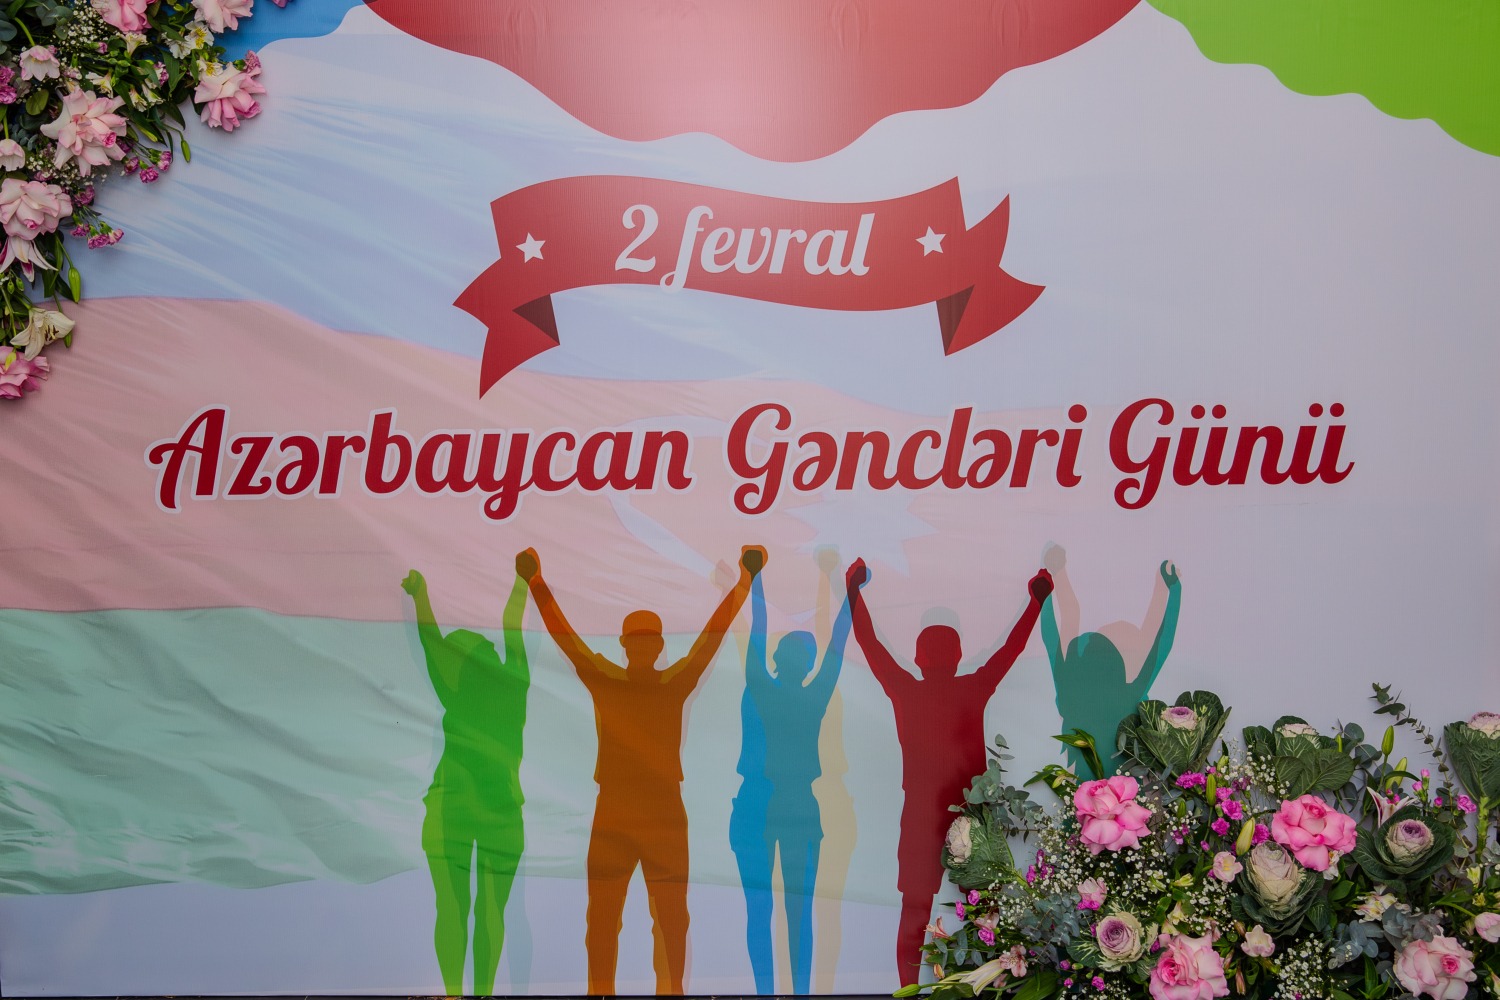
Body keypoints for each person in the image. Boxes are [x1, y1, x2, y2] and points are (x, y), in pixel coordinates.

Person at [520, 545, 765, 995]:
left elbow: (712, 636)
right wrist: (536, 584)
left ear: (651, 646)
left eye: (647, 641)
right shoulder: (650, 681)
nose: (643, 647)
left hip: (646, 813)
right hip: (633, 812)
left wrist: (744, 584)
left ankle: (659, 993)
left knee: (657, 917)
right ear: (630, 646)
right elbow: (566, 638)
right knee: (616, 916)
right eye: (639, 641)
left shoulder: (636, 680)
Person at [845, 557, 1052, 986]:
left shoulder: (906, 689)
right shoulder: (972, 686)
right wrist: (1036, 602)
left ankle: (909, 990)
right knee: (984, 913)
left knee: (916, 912)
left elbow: (869, 644)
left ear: (917, 657)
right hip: (970, 818)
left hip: (925, 818)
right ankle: (985, 989)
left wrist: (853, 592)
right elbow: (1011, 649)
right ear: (958, 657)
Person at [401, 559, 530, 996]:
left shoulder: (455, 691)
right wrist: (522, 582)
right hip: (495, 810)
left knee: (454, 908)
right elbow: (511, 627)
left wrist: (421, 596)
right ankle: (475, 994)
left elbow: (430, 640)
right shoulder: (512, 686)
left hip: (453, 807)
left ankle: (457, 993)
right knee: (486, 911)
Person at [733, 559, 853, 993]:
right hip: (773, 805)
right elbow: (834, 645)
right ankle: (777, 993)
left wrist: (755, 577)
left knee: (777, 912)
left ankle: (788, 993)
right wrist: (851, 595)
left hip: (782, 806)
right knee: (779, 912)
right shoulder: (792, 692)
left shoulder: (766, 688)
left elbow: (832, 645)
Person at [1040, 548, 1182, 775]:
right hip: (1128, 783)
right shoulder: (1130, 693)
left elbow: (1065, 621)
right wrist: (1172, 588)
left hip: (1085, 783)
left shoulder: (1069, 686)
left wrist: (1051, 581)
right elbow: (1160, 641)